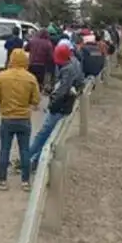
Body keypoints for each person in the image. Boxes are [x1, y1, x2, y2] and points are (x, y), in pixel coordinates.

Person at [0, 48, 40, 191]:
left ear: (11, 59)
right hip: (24, 119)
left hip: (7, 118)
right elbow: (36, 100)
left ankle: (2, 180)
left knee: (5, 149)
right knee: (24, 150)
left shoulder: (2, 76)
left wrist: (5, 101)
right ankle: (25, 182)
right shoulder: (31, 78)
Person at [29, 43, 84, 171]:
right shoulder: (74, 64)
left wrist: (51, 104)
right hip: (66, 106)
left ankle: (28, 158)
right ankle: (35, 159)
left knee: (44, 133)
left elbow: (62, 90)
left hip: (59, 107)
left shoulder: (67, 70)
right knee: (49, 134)